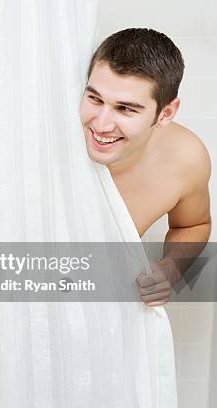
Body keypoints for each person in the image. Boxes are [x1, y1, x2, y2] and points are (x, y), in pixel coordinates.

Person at [79, 28, 211, 305]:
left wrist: (169, 270)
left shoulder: (185, 158)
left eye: (125, 109)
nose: (101, 125)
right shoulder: (45, 142)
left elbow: (195, 224)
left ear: (166, 113)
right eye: (94, 98)